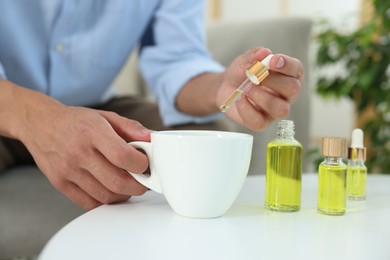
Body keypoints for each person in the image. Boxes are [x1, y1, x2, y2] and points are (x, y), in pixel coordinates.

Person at [0, 0, 303, 210]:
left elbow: (177, 59)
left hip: (94, 104)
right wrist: (37, 119)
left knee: (203, 136)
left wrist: (220, 86)